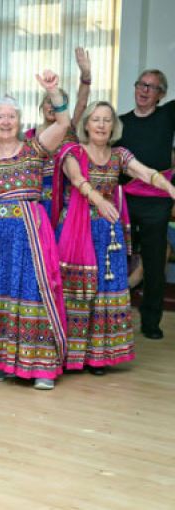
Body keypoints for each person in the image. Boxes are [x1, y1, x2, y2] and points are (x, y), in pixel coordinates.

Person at [0, 71, 70, 390]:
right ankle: (1, 363)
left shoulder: (34, 149)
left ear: (19, 120)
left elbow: (64, 124)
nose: (6, 121)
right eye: (0, 116)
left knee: (34, 294)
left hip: (31, 235)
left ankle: (42, 368)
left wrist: (53, 92)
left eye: (11, 116)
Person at [57, 101, 175, 374]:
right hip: (77, 231)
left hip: (107, 232)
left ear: (114, 126)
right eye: (96, 119)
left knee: (104, 291)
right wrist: (99, 200)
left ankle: (97, 357)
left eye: (106, 120)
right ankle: (69, 355)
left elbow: (144, 172)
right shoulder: (72, 150)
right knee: (75, 291)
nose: (101, 125)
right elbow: (77, 179)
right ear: (86, 124)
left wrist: (169, 187)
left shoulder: (120, 154)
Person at [115, 69, 175, 339]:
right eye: (141, 84)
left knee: (153, 264)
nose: (144, 90)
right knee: (115, 259)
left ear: (160, 95)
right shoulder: (120, 123)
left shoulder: (167, 116)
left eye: (152, 87)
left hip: (157, 202)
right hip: (124, 200)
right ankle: (111, 316)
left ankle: (151, 322)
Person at [24, 47, 92, 219]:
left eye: (57, 103)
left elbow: (82, 103)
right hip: (33, 199)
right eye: (49, 101)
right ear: (41, 106)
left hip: (62, 199)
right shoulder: (27, 136)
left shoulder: (69, 129)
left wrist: (86, 75)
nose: (52, 106)